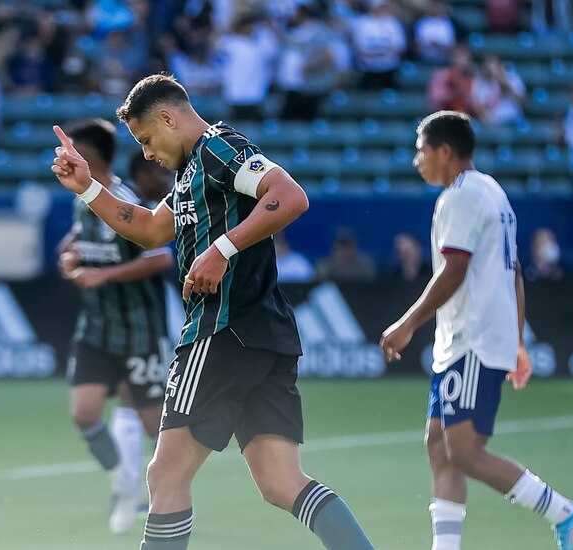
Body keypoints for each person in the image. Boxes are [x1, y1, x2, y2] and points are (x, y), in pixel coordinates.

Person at [51, 74, 373, 550]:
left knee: (164, 476)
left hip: (221, 330)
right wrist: (88, 188)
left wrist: (222, 247)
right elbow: (148, 230)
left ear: (167, 117)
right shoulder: (189, 174)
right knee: (280, 481)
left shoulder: (217, 148)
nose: (145, 154)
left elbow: (289, 196)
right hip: (263, 333)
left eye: (146, 139)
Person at [379, 111, 573, 550]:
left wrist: (406, 324)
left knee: (464, 451)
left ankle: (565, 512)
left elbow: (454, 269)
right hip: (470, 339)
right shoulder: (492, 192)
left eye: (422, 150)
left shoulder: (460, 197)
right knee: (439, 446)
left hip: (471, 339)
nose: (417, 160)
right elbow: (513, 272)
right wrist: (516, 342)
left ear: (445, 151)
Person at [55, 119, 173, 535]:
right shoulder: (78, 198)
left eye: (70, 150)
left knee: (151, 423)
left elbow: (161, 258)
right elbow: (76, 241)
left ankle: (165, 505)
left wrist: (103, 276)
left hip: (138, 326)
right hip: (96, 325)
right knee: (84, 413)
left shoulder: (123, 198)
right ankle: (123, 482)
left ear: (89, 156)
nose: (63, 157)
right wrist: (70, 258)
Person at [470, 55, 526, 126]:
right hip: (492, 124)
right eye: (488, 67)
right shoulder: (480, 82)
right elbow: (478, 107)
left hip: (513, 122)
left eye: (494, 66)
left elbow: (522, 101)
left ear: (500, 66)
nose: (492, 70)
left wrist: (505, 85)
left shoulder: (512, 77)